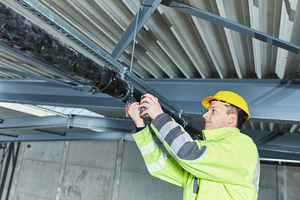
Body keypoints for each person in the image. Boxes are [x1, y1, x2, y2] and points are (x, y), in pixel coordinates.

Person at [128, 91, 260, 200]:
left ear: (231, 119)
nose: (205, 115)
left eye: (213, 111)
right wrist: (140, 127)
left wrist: (159, 117)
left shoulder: (243, 145)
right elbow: (158, 166)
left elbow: (188, 152)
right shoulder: (204, 160)